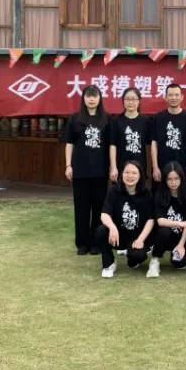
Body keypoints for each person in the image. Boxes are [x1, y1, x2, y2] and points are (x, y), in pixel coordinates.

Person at [63, 84, 111, 255]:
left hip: (100, 171)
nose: (91, 99)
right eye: (88, 96)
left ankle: (97, 242)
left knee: (99, 207)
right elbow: (69, 143)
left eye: (94, 96)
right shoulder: (75, 118)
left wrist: (112, 167)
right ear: (83, 98)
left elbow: (111, 145)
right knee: (81, 208)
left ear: (99, 98)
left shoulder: (106, 119)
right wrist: (68, 165)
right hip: (80, 170)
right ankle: (82, 243)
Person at [95, 160, 155, 278]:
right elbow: (104, 214)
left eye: (134, 173)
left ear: (140, 175)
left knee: (136, 258)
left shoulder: (146, 193)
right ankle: (109, 263)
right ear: (121, 173)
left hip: (136, 237)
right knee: (101, 231)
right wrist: (112, 227)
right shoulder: (114, 191)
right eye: (127, 172)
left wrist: (141, 239)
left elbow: (151, 219)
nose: (130, 176)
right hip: (117, 236)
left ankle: (132, 256)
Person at [148, 161, 186, 277]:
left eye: (176, 178)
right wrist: (181, 223)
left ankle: (179, 253)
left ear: (181, 178)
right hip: (165, 235)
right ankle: (155, 259)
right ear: (165, 180)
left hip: (182, 237)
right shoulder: (160, 195)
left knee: (180, 265)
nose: (173, 182)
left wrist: (181, 244)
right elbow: (160, 221)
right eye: (169, 179)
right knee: (163, 230)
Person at [151, 83, 186, 190]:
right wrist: (155, 167)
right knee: (160, 195)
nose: (173, 98)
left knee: (181, 196)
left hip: (182, 167)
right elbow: (154, 143)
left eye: (176, 95)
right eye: (170, 95)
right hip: (161, 167)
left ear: (182, 97)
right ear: (165, 97)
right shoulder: (158, 117)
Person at [109, 87, 152, 183]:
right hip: (120, 167)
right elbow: (112, 145)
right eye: (127, 99)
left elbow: (151, 145)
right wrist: (113, 167)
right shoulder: (116, 121)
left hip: (139, 167)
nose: (130, 102)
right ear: (123, 101)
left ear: (139, 101)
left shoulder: (145, 121)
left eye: (133, 99)